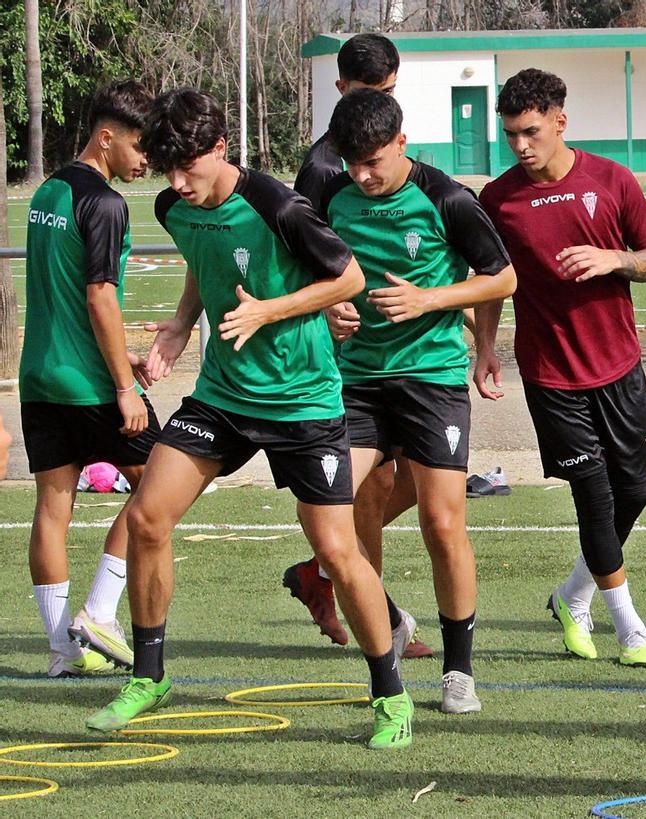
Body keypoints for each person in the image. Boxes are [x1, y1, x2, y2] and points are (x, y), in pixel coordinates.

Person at [85, 88, 412, 750]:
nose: (178, 184)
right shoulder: (175, 207)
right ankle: (150, 677)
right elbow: (205, 265)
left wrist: (269, 309)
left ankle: (390, 694)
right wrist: (180, 325)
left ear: (221, 149)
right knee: (147, 516)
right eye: (167, 169)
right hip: (224, 397)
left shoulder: (277, 204)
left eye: (190, 168)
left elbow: (346, 281)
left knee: (337, 550)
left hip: (303, 402)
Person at [320, 88, 516, 712]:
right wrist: (331, 310)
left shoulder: (448, 198)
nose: (362, 175)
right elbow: (314, 273)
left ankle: (459, 672)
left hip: (430, 378)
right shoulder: (332, 195)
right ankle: (392, 630)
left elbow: (502, 277)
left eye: (373, 160)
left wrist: (433, 303)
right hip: (356, 381)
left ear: (402, 143)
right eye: (352, 163)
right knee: (339, 519)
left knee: (441, 523)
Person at [477, 68, 646, 667]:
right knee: (592, 493)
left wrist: (613, 259)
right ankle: (628, 626)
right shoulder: (498, 200)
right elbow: (489, 283)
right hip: (550, 374)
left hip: (619, 365)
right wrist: (485, 345)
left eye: (531, 132)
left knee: (631, 492)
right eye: (510, 135)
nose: (521, 146)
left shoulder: (612, 180)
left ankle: (571, 596)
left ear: (561, 121)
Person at [284, 32, 432, 659]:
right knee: (364, 487)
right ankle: (386, 628)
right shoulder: (324, 169)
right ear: (338, 89)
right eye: (366, 98)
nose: (375, 119)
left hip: (411, 356)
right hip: (350, 359)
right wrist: (330, 310)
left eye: (388, 97)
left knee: (427, 481)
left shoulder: (396, 162)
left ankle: (323, 569)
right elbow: (300, 259)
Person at [20, 80, 162, 678]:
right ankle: (100, 613)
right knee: (164, 485)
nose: (146, 158)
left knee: (53, 508)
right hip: (91, 388)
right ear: (107, 138)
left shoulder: (46, 190)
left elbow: (65, 296)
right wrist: (124, 385)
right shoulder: (105, 203)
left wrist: (117, 360)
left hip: (40, 376)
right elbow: (100, 297)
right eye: (139, 146)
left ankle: (61, 653)